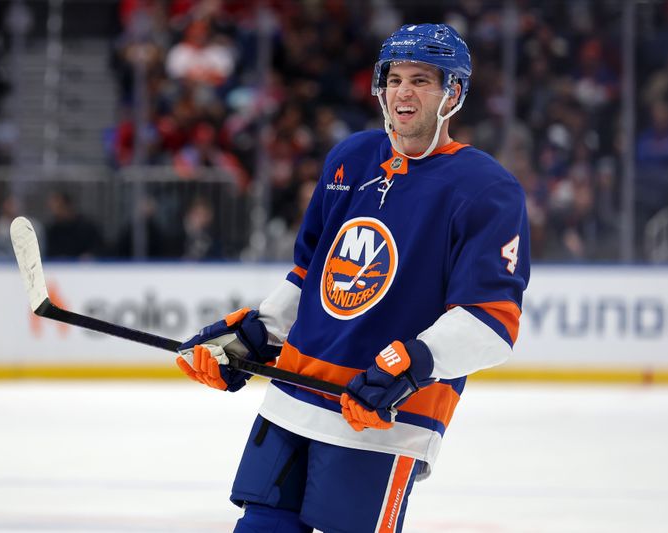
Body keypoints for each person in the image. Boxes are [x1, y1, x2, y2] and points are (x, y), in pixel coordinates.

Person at [176, 23, 530, 532]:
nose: (403, 91)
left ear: (453, 93)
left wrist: (415, 362)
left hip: (377, 419)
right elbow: (311, 273)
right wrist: (258, 333)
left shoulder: (487, 189)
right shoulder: (351, 158)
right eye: (395, 78)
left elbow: (493, 323)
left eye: (421, 80)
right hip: (293, 399)